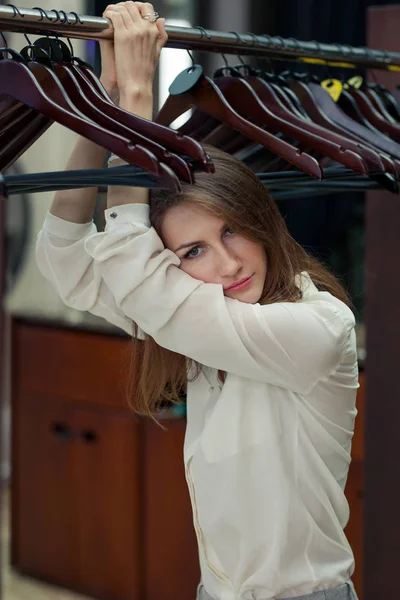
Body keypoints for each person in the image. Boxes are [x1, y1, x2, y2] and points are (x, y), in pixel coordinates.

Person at [35, 3, 360, 600]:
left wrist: (137, 102)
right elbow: (65, 257)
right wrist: (102, 112)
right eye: (192, 252)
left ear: (262, 221)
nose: (228, 263)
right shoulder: (188, 315)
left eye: (232, 230)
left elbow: (138, 272)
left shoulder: (318, 326)